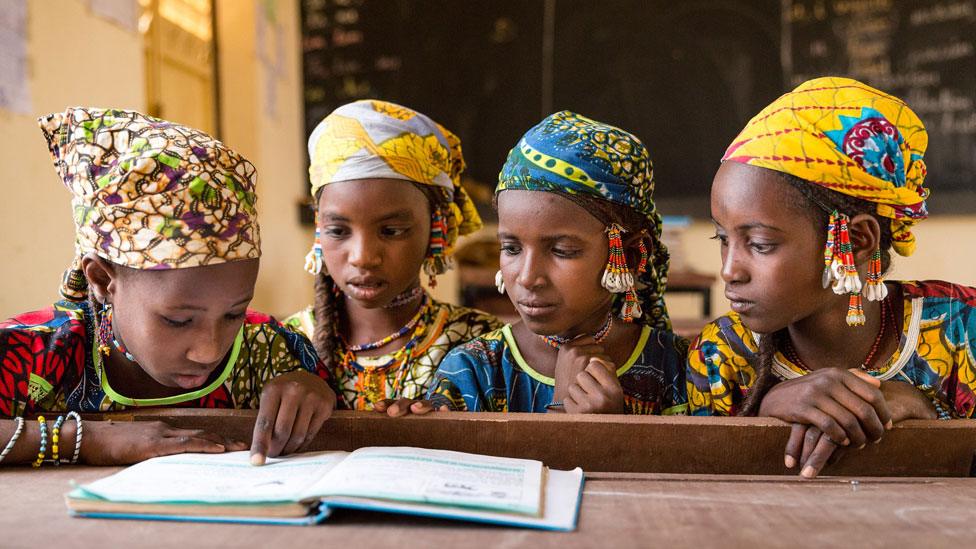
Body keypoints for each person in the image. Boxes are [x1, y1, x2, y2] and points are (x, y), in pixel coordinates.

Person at [0, 107, 335, 467]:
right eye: (178, 320)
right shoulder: (32, 355)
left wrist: (318, 391)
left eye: (233, 313)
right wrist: (88, 439)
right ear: (102, 279)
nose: (209, 351)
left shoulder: (273, 353)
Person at [687, 77, 975, 478]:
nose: (729, 270)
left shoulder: (964, 329)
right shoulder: (722, 356)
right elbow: (702, 490)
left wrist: (924, 409)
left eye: (761, 244)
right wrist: (764, 412)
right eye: (723, 238)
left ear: (857, 241)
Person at [425, 111, 688, 414]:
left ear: (629, 257)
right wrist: (562, 414)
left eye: (561, 251)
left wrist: (616, 431)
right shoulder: (474, 371)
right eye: (511, 248)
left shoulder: (679, 371)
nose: (527, 277)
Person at [285, 100, 500, 414]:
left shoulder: (480, 344)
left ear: (437, 226)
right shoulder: (285, 346)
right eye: (339, 231)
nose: (363, 257)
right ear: (319, 228)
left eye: (391, 231)